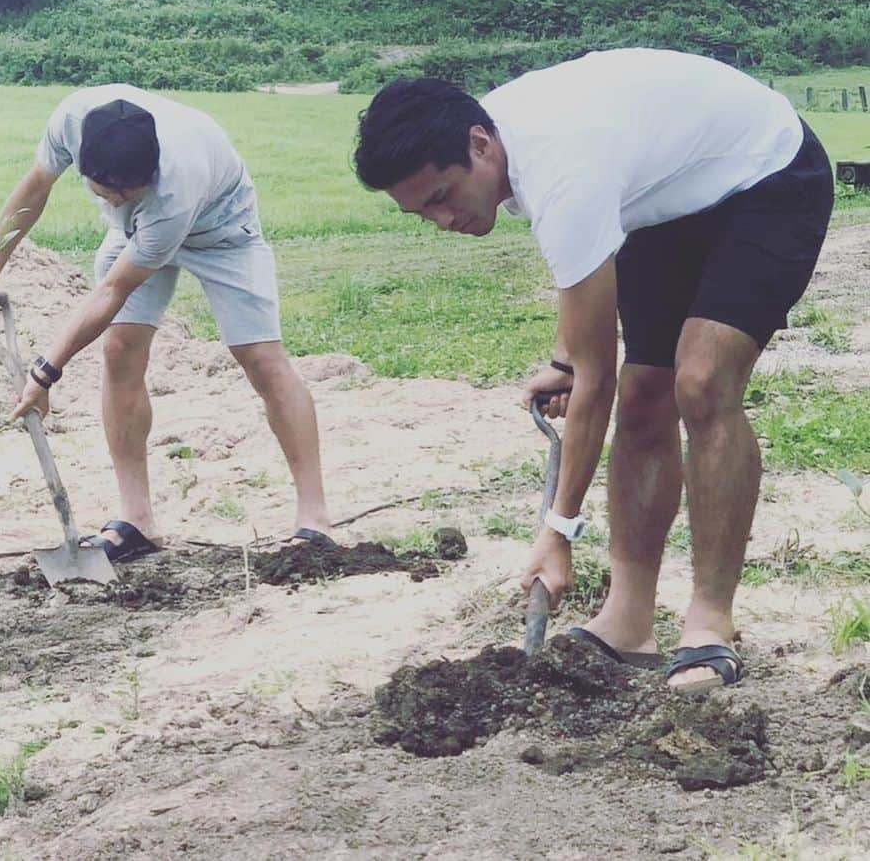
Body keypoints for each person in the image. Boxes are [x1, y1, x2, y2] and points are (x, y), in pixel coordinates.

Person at [352, 49, 833, 692]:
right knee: (643, 399)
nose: (444, 221)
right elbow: (583, 288)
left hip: (767, 175)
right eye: (423, 213)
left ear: (479, 145)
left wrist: (557, 531)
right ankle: (629, 620)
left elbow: (595, 377)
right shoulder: (504, 148)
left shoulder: (559, 164)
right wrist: (563, 361)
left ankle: (709, 623)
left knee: (701, 379)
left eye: (443, 197)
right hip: (664, 200)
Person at [0, 84, 332, 560]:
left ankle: (314, 520)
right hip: (136, 233)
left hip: (222, 229)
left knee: (260, 358)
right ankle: (137, 521)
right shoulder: (71, 120)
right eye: (105, 193)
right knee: (119, 351)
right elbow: (35, 185)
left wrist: (45, 371)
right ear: (85, 162)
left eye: (126, 193)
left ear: (150, 174)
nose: (114, 201)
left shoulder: (176, 189)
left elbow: (114, 291)